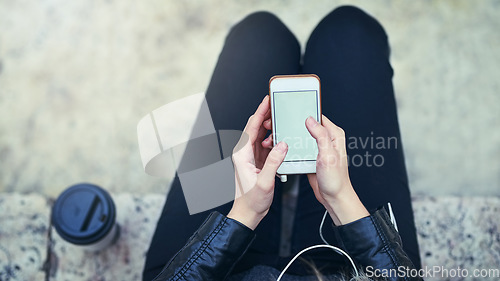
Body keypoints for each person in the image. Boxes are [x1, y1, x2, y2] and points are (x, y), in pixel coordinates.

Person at [143, 6, 422, 281]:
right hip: (344, 272)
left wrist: (245, 212)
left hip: (214, 270)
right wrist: (338, 198)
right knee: (350, 31)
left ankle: (278, 181)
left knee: (259, 35)